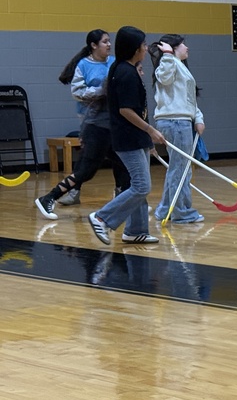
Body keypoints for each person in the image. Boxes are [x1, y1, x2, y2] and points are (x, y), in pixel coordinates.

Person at [34, 29, 131, 219]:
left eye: (109, 41)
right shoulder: (84, 65)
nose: (109, 45)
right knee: (87, 169)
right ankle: (49, 197)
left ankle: (124, 200)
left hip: (111, 123)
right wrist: (101, 91)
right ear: (94, 45)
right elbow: (78, 92)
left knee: (123, 162)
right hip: (93, 122)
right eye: (105, 42)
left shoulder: (114, 62)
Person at [86, 26, 166, 246]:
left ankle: (135, 231)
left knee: (138, 185)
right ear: (134, 48)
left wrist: (147, 140)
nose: (146, 48)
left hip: (136, 137)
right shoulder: (125, 73)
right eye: (143, 45)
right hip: (128, 138)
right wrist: (150, 130)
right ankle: (102, 218)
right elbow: (126, 110)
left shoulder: (125, 68)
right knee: (141, 186)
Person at [149, 34, 205, 224]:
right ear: (172, 48)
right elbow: (164, 78)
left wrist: (198, 118)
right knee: (181, 170)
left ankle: (165, 209)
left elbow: (188, 98)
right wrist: (166, 55)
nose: (187, 48)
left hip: (181, 121)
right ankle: (181, 212)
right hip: (175, 122)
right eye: (183, 44)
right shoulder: (168, 64)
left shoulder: (179, 66)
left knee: (178, 168)